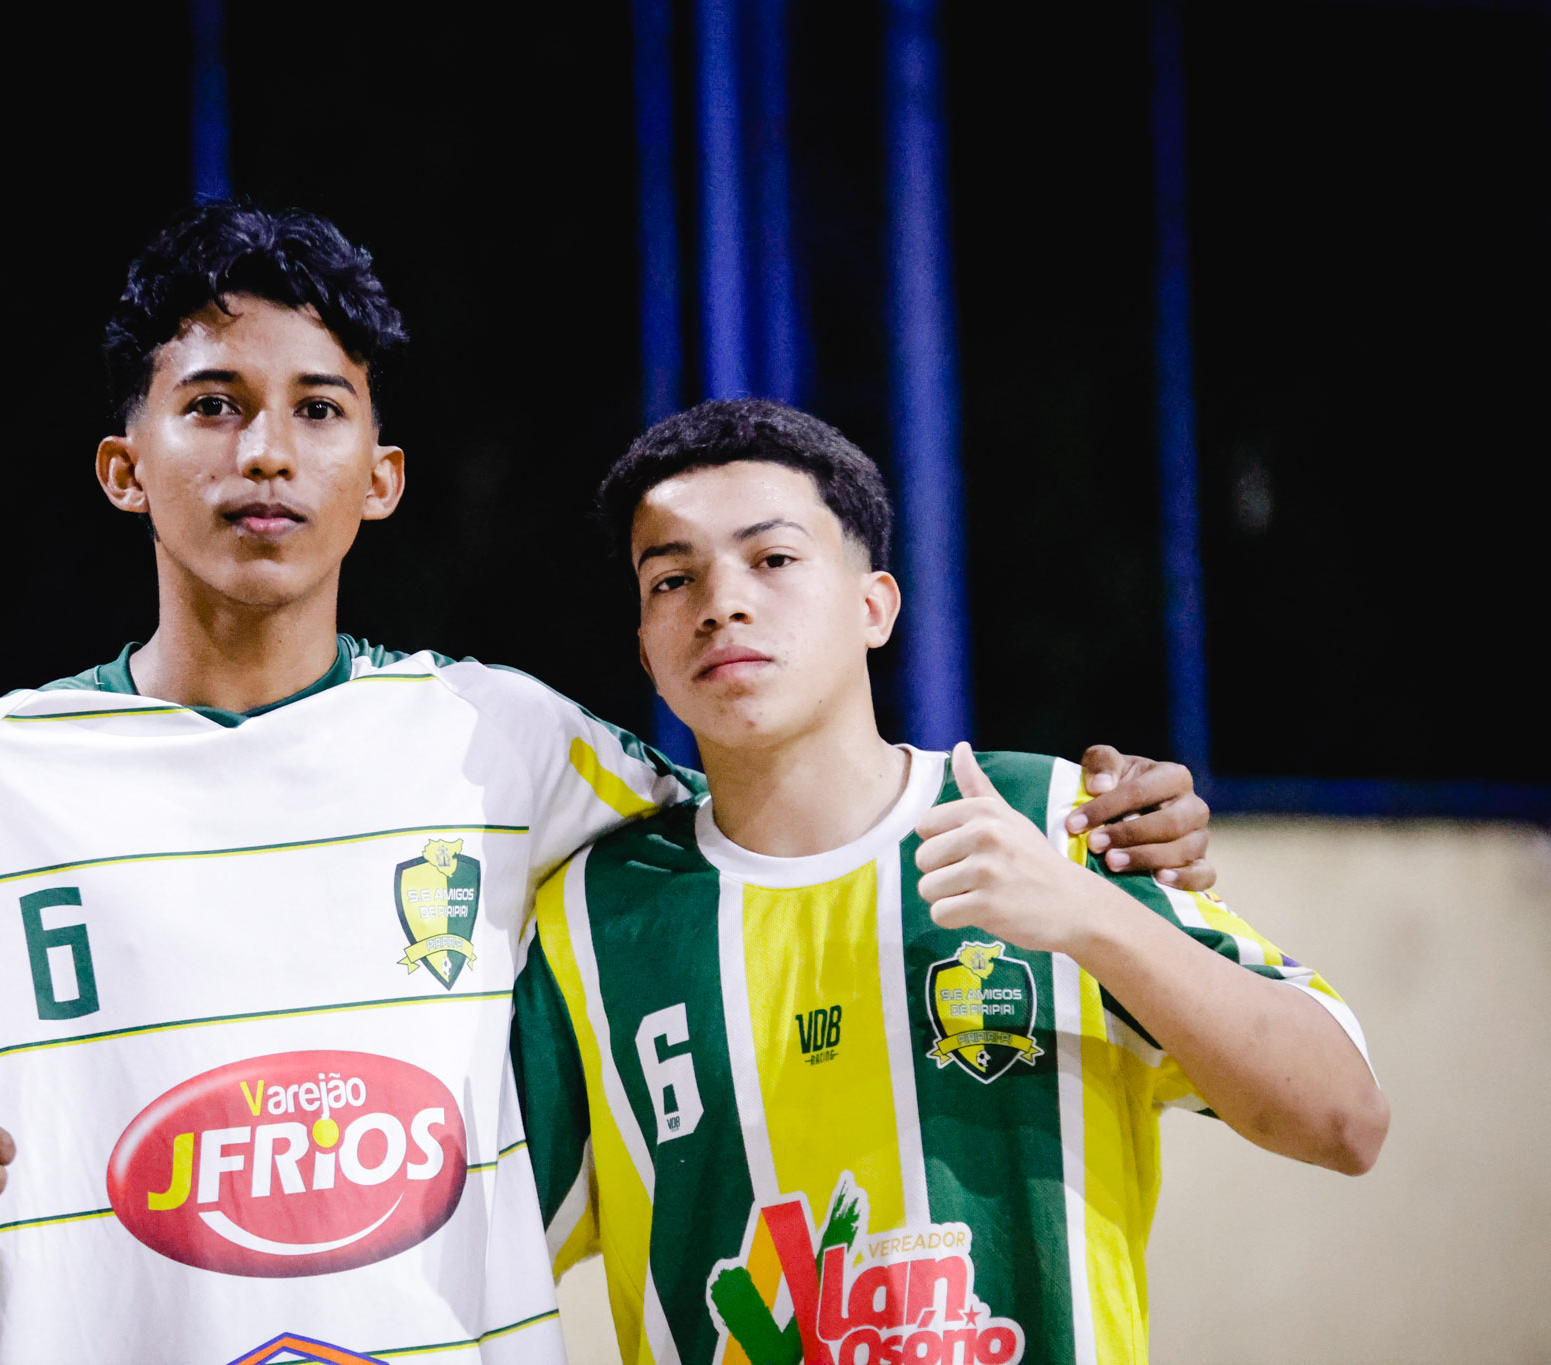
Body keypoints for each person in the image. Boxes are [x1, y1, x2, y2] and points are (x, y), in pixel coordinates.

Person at [0, 205, 1216, 1365]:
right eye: (214, 403)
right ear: (126, 466)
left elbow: (785, 802)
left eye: (318, 409)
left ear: (380, 476)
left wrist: (1085, 810)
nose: (266, 452)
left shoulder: (504, 739)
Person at [512, 399, 1388, 1365]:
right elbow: (470, 1244)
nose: (722, 601)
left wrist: (1091, 916)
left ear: (874, 606)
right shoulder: (595, 916)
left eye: (774, 558)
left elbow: (1344, 1121)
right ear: (646, 648)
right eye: (673, 578)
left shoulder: (1054, 818)